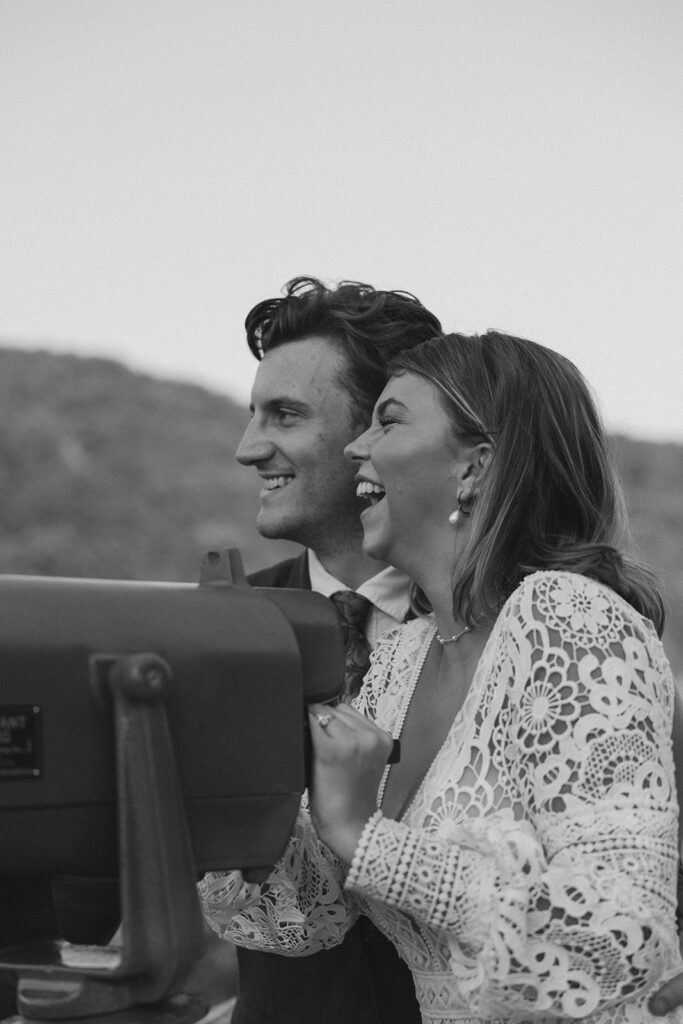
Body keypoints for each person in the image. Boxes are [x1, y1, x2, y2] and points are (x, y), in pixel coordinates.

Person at [200, 331, 682, 1022]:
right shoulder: (400, 661)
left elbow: (619, 940)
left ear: (476, 465)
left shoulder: (566, 618)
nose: (355, 447)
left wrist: (365, 836)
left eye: (388, 421)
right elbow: (307, 919)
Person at [235, 276, 442, 1023]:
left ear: (379, 431)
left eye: (284, 415)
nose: (247, 448)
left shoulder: (509, 624)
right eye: (252, 415)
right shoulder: (224, 627)